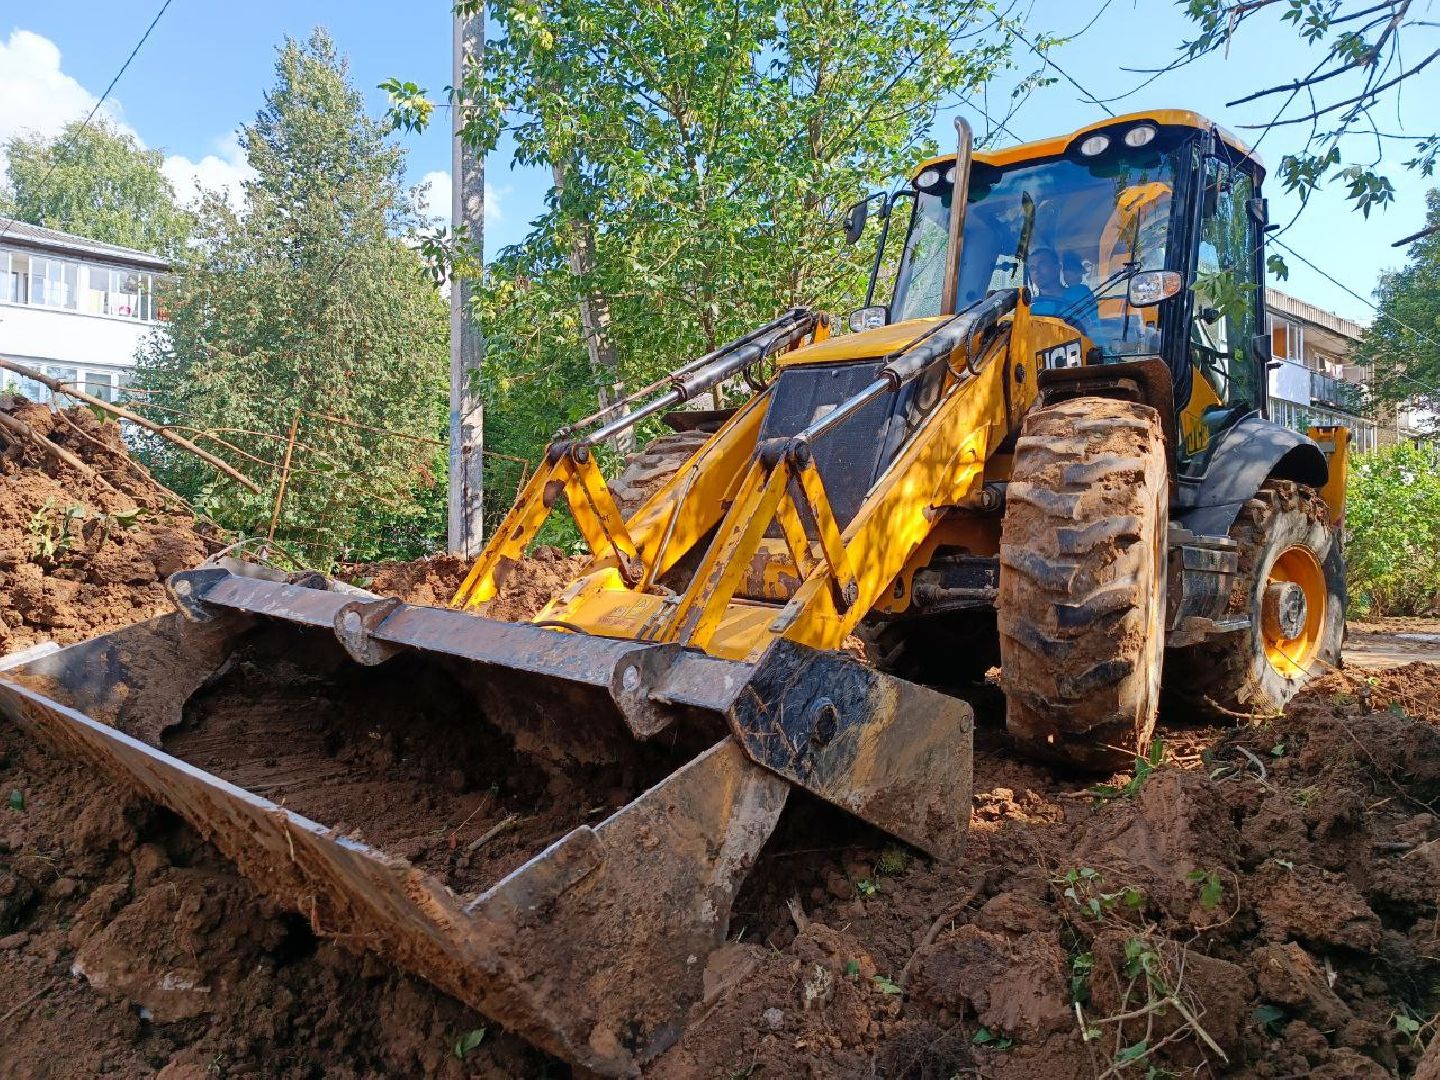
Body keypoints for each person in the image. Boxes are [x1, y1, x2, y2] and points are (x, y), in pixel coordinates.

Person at [1028, 247, 1096, 335]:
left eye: (1042, 265)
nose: (1036, 271)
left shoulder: (1080, 292)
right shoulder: (1033, 310)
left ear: (1057, 268)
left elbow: (1094, 329)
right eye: (1032, 268)